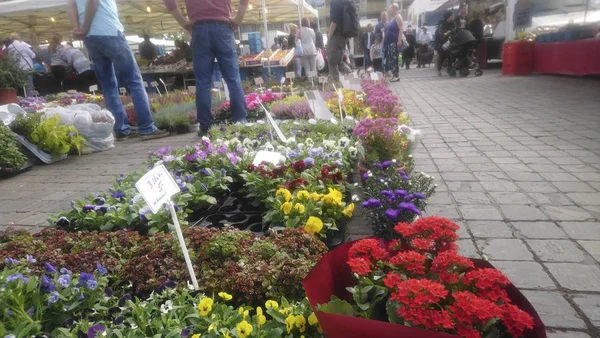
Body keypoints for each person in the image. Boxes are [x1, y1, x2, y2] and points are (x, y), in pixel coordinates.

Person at [67, 0, 169, 141]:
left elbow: (71, 4)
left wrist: (77, 28)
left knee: (108, 86)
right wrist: (84, 27)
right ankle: (147, 127)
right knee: (134, 81)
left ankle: (121, 129)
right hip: (108, 30)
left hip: (90, 38)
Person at [163, 0, 249, 136]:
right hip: (223, 26)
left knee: (203, 82)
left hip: (199, 28)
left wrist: (182, 21)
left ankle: (206, 125)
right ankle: (240, 121)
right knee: (232, 79)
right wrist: (239, 17)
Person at [326, 0, 355, 82]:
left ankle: (336, 86)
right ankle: (353, 78)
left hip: (336, 36)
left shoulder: (335, 2)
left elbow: (334, 21)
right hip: (343, 36)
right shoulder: (343, 2)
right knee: (339, 62)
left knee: (332, 63)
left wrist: (329, 36)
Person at [384, 3, 404, 82]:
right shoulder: (392, 18)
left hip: (394, 42)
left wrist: (399, 40)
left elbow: (401, 29)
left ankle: (396, 75)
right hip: (390, 42)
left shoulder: (398, 17)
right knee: (392, 59)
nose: (389, 10)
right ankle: (394, 74)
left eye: (390, 9)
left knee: (394, 58)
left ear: (395, 9)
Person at [436, 11, 456, 76]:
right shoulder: (443, 25)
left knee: (451, 57)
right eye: (452, 15)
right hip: (444, 44)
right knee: (442, 57)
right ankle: (439, 69)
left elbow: (457, 31)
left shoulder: (454, 24)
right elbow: (440, 35)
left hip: (453, 42)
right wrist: (447, 33)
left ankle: (449, 70)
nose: (453, 16)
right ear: (448, 17)